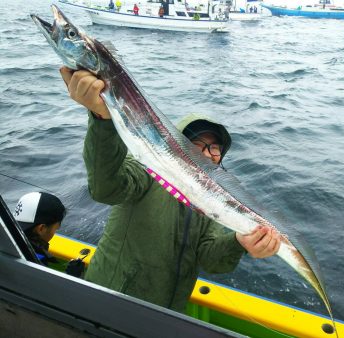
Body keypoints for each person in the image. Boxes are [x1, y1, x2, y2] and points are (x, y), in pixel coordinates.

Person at [59, 67, 281, 313]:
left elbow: (211, 259)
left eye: (215, 148)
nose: (207, 152)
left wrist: (240, 242)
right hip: (110, 302)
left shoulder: (214, 201)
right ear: (177, 145)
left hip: (166, 313)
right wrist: (103, 121)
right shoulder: (148, 168)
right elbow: (105, 189)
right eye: (197, 143)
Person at [13, 192, 66, 266]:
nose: (57, 229)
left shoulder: (8, 242)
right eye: (57, 226)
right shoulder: (35, 262)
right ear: (41, 229)